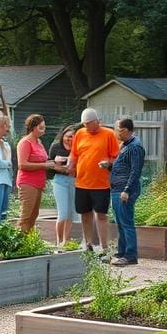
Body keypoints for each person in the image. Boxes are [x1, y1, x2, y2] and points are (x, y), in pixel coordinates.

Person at [67, 107, 119, 255]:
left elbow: (116, 156)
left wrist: (108, 163)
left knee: (101, 215)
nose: (87, 127)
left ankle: (104, 247)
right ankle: (88, 244)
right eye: (84, 124)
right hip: (82, 182)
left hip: (101, 183)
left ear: (97, 121)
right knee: (84, 214)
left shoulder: (108, 134)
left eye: (89, 123)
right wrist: (70, 165)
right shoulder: (80, 133)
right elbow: (74, 153)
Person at [109, 117, 145, 266]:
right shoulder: (124, 144)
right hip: (117, 189)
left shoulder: (135, 147)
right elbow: (123, 166)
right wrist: (109, 166)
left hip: (125, 190)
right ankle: (121, 253)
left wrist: (126, 190)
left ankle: (130, 255)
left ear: (127, 130)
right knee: (120, 223)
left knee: (127, 223)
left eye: (120, 130)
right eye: (116, 130)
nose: (117, 133)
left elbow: (135, 171)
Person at [15, 114, 52, 232]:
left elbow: (43, 159)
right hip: (27, 183)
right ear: (33, 127)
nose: (43, 131)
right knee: (25, 216)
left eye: (44, 128)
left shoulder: (39, 142)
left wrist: (54, 163)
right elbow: (22, 164)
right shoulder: (25, 142)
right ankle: (18, 243)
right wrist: (44, 165)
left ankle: (28, 243)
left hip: (38, 183)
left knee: (33, 215)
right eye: (41, 128)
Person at [48, 124, 77, 245]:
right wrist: (57, 163)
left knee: (71, 213)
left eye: (72, 137)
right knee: (63, 213)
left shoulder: (77, 148)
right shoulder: (56, 147)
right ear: (63, 136)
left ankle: (66, 240)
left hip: (74, 180)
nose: (69, 139)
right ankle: (59, 241)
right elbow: (50, 163)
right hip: (60, 180)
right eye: (68, 136)